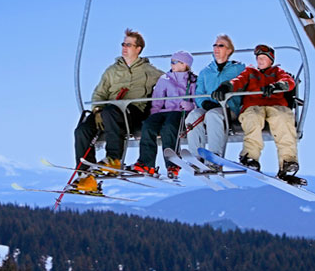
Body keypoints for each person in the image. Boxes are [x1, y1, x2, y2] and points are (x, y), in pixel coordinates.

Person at [72, 28, 163, 191]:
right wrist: (97, 109)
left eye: (129, 44)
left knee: (111, 111)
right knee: (82, 130)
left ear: (138, 49)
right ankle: (86, 176)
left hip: (132, 110)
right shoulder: (112, 71)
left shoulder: (148, 71)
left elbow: (171, 81)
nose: (124, 47)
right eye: (123, 44)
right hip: (107, 112)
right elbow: (99, 92)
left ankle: (114, 158)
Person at [211, 44, 305, 185]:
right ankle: (250, 157)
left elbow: (288, 82)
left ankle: (288, 162)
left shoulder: (277, 72)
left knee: (283, 119)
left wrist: (277, 86)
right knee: (253, 120)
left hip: (276, 105)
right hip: (254, 105)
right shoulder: (250, 72)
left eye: (263, 58)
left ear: (270, 60)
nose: (260, 61)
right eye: (258, 58)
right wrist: (226, 86)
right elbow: (238, 81)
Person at [131, 51, 197, 178]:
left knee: (169, 127)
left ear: (184, 65)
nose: (171, 64)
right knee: (148, 126)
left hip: (179, 112)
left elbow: (196, 99)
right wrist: (154, 115)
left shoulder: (193, 81)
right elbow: (157, 99)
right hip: (163, 112)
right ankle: (146, 162)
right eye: (171, 61)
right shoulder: (165, 79)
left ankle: (172, 163)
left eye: (174, 62)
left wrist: (191, 107)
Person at [186, 34, 245, 163]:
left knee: (213, 115)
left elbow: (249, 76)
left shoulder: (238, 69)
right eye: (215, 45)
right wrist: (205, 103)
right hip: (208, 108)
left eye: (221, 45)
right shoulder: (205, 72)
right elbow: (199, 93)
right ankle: (196, 156)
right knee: (193, 116)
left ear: (229, 50)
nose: (217, 48)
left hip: (229, 109)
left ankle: (214, 156)